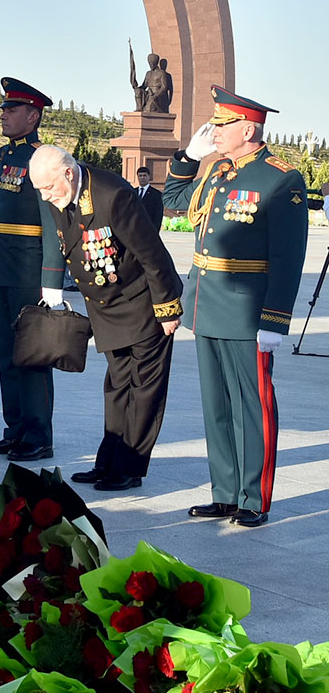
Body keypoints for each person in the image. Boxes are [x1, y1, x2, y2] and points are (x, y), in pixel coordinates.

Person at [163, 86, 308, 527]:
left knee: (253, 406)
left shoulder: (281, 178)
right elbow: (172, 203)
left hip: (247, 312)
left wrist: (275, 319)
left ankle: (253, 499)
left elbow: (288, 256)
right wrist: (188, 158)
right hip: (207, 306)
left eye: (222, 124)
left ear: (248, 128)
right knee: (217, 405)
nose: (215, 131)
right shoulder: (217, 171)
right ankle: (224, 492)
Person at [30, 144, 183, 490]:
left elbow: (152, 253)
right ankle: (108, 462)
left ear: (68, 173)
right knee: (116, 386)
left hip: (145, 305)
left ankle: (129, 468)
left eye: (48, 187)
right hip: (109, 306)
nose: (45, 196)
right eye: (39, 189)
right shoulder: (59, 194)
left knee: (144, 390)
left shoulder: (113, 195)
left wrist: (168, 307)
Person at [0, 79, 65, 462]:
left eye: (11, 110)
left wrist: (52, 279)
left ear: (33, 115)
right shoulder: (5, 155)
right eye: (4, 108)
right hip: (3, 265)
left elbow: (55, 222)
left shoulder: (44, 158)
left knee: (33, 355)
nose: (4, 115)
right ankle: (16, 429)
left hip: (30, 269)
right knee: (8, 354)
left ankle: (39, 434)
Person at [135, 166, 165, 232]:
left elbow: (158, 215)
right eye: (140, 176)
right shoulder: (133, 192)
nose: (142, 178)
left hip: (148, 229)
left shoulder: (156, 194)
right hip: (134, 229)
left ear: (149, 177)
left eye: (144, 175)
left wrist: (155, 231)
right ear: (137, 177)